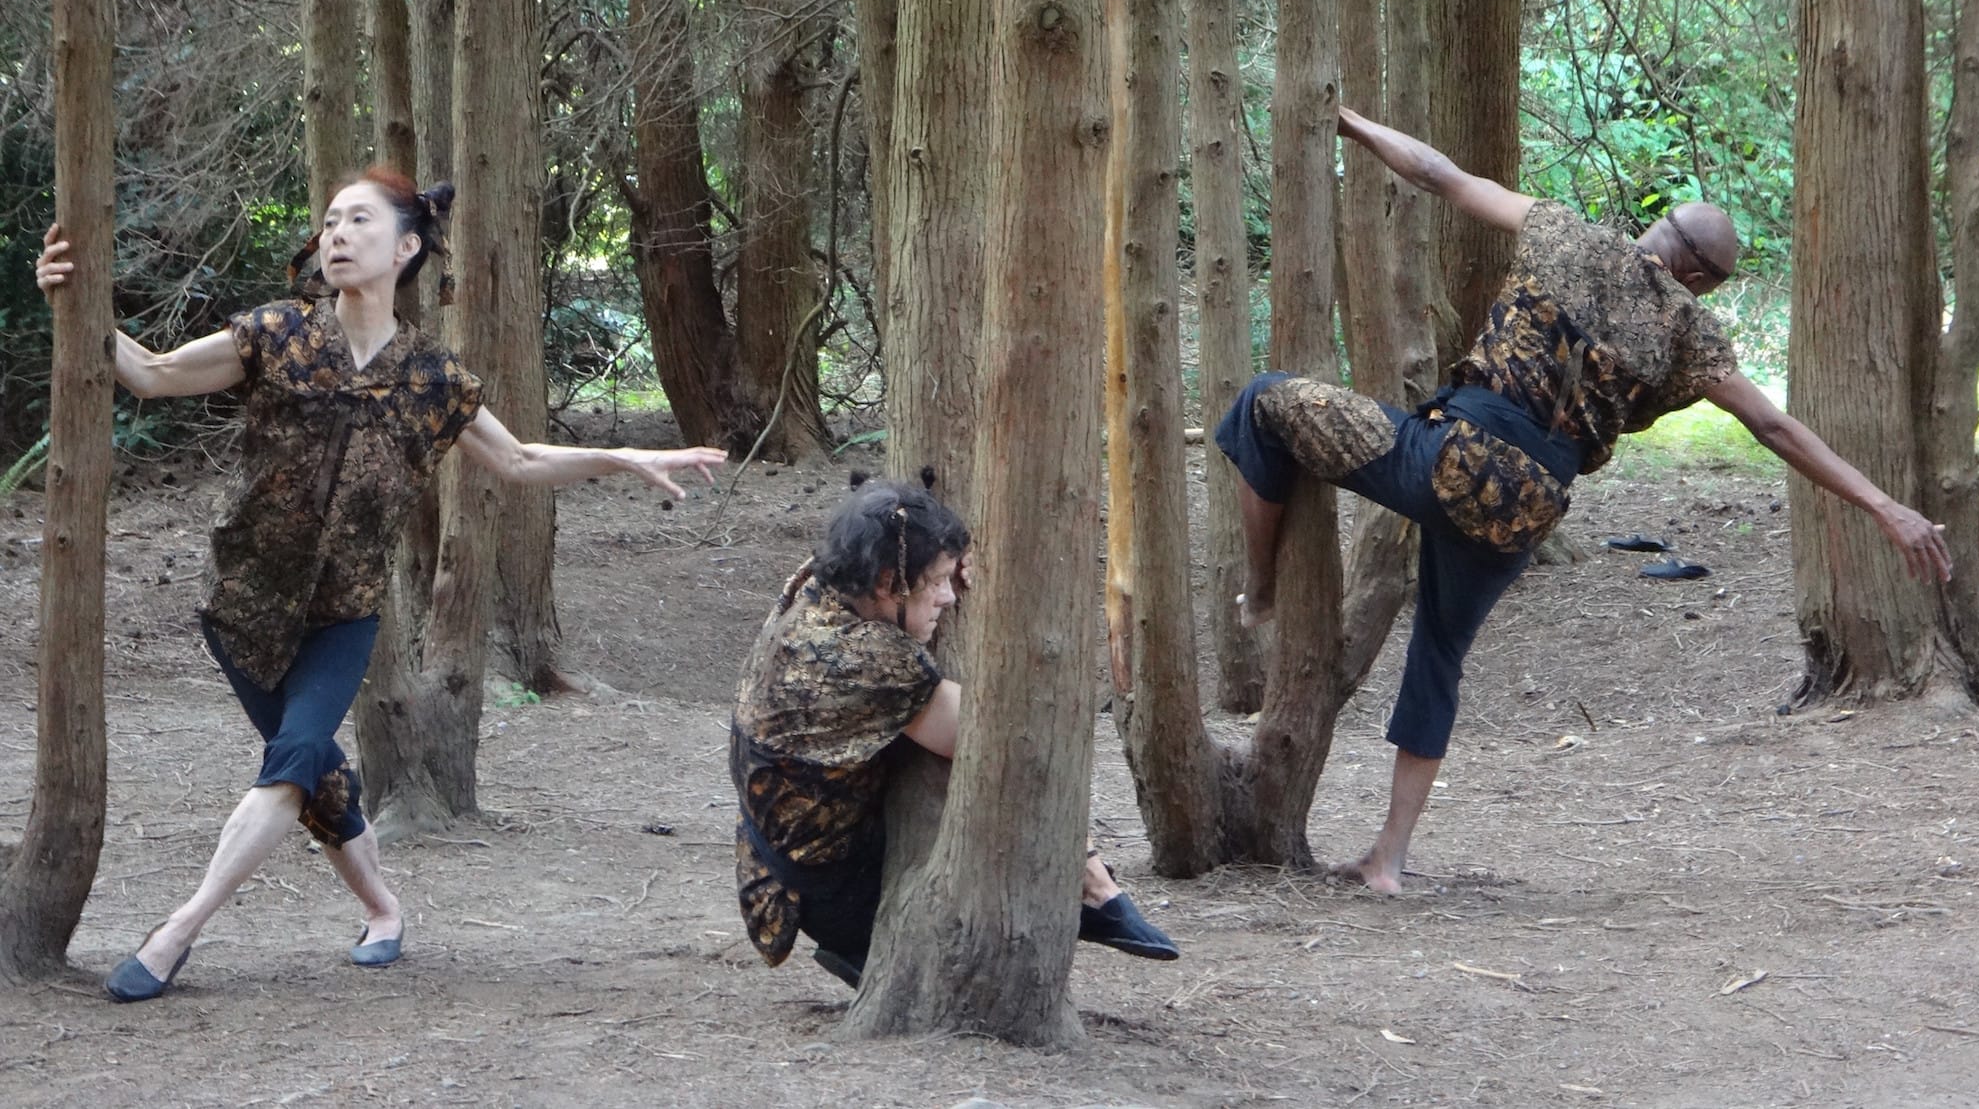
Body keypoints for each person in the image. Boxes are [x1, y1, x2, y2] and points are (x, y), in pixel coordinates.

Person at [1214, 106, 1952, 896]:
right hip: (1528, 509)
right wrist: (1884, 504)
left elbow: (1439, 174)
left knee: (1263, 403)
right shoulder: (1689, 330)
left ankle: (1260, 589)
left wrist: (1355, 123)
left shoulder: (1563, 232)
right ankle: (1388, 859)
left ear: (1658, 231)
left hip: (1450, 460)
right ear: (1700, 278)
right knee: (1440, 659)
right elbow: (1773, 426)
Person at [34, 167, 729, 1001]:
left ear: (405, 247)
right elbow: (147, 373)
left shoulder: (432, 380)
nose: (335, 234)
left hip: (342, 615)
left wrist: (625, 456)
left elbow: (519, 459)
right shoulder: (275, 335)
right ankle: (385, 907)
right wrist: (72, 307)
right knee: (316, 774)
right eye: (328, 221)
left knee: (290, 764)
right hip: (243, 605)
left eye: (357, 220)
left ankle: (177, 930)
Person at [731, 480, 1179, 988]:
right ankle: (1094, 889)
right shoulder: (864, 656)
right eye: (937, 581)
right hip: (833, 892)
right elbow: (1001, 741)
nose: (949, 595)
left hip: (781, 864)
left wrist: (947, 560)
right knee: (1008, 762)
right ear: (886, 582)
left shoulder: (813, 589)